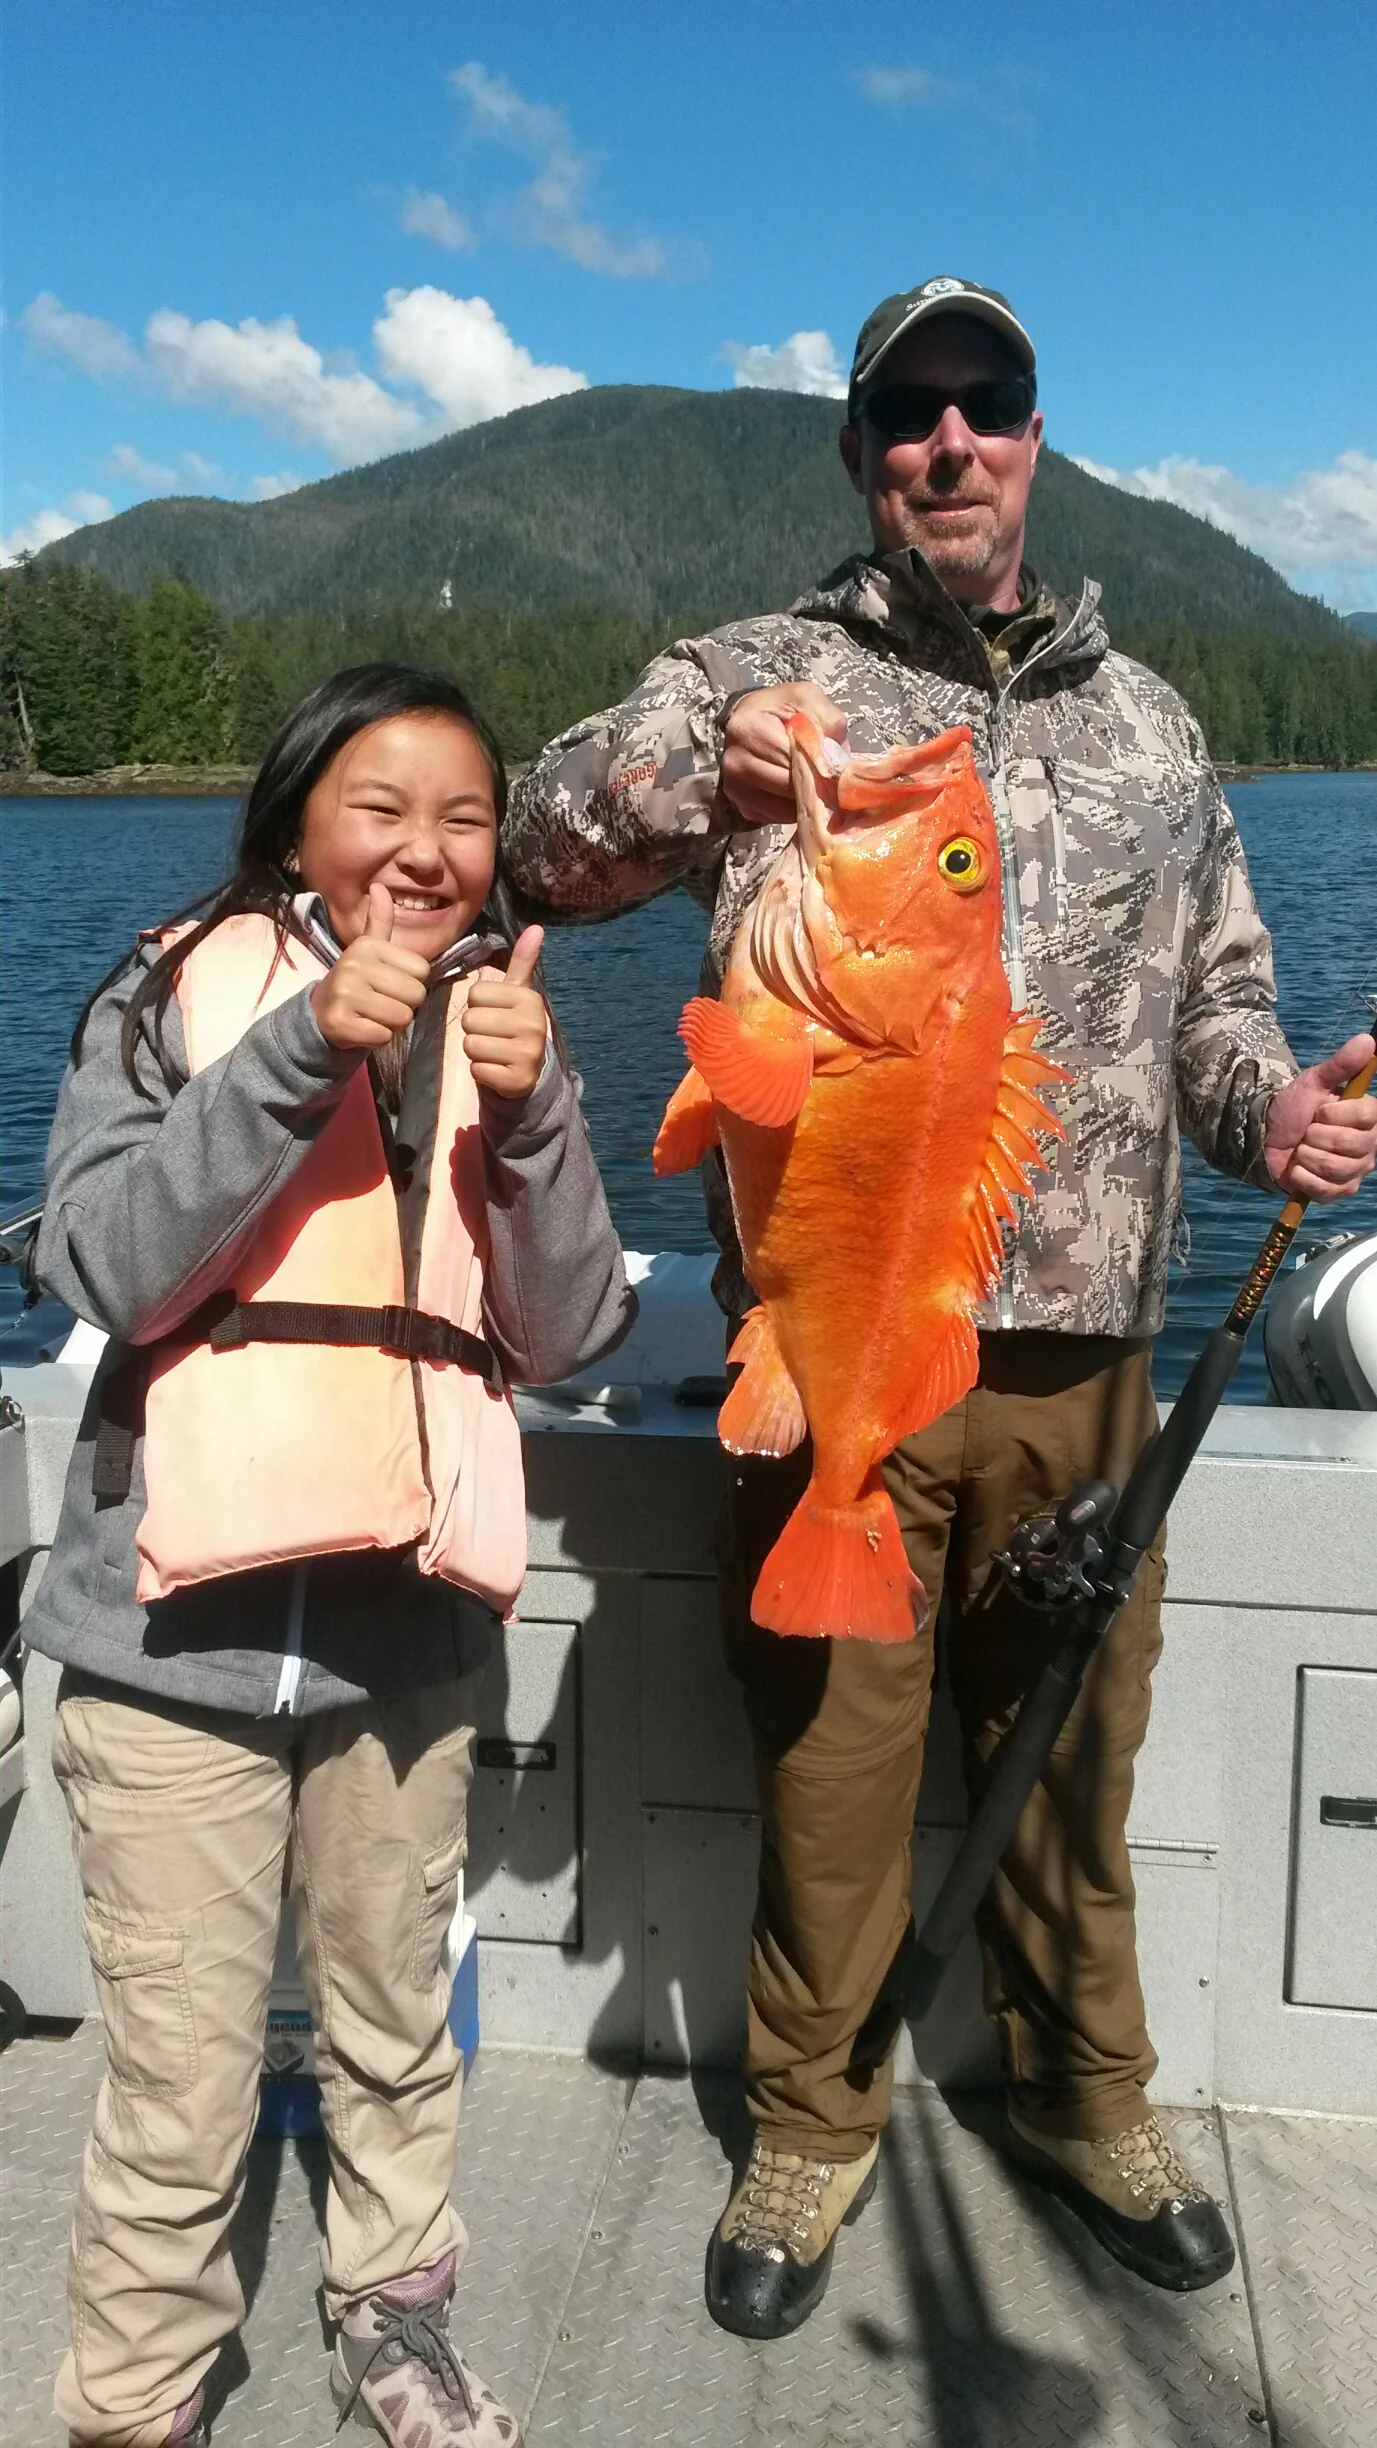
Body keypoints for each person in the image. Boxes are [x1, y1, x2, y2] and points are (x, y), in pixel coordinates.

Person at [503, 277, 1377, 2340]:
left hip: (1081, 1362)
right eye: (912, 407)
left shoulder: (1151, 723)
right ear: (859, 450)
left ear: (1037, 437)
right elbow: (541, 839)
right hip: (830, 1345)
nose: (952, 440)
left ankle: (1089, 2104)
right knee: (828, 1766)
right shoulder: (756, 675)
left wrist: (1275, 1114)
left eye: (989, 402)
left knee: (1069, 1757)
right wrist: (701, 773)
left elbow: (1217, 1006)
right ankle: (811, 2129)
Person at [24, 663, 636, 2447]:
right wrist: (303, 1051)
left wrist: (535, 1117)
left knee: (395, 2032)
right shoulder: (169, 989)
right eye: (382, 807)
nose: (428, 851)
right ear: (298, 824)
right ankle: (139, 2399)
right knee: (177, 2078)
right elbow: (106, 1263)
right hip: (168, 1652)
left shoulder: (509, 1022)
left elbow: (567, 1328)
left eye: (467, 818)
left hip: (405, 1646)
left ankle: (397, 2324)